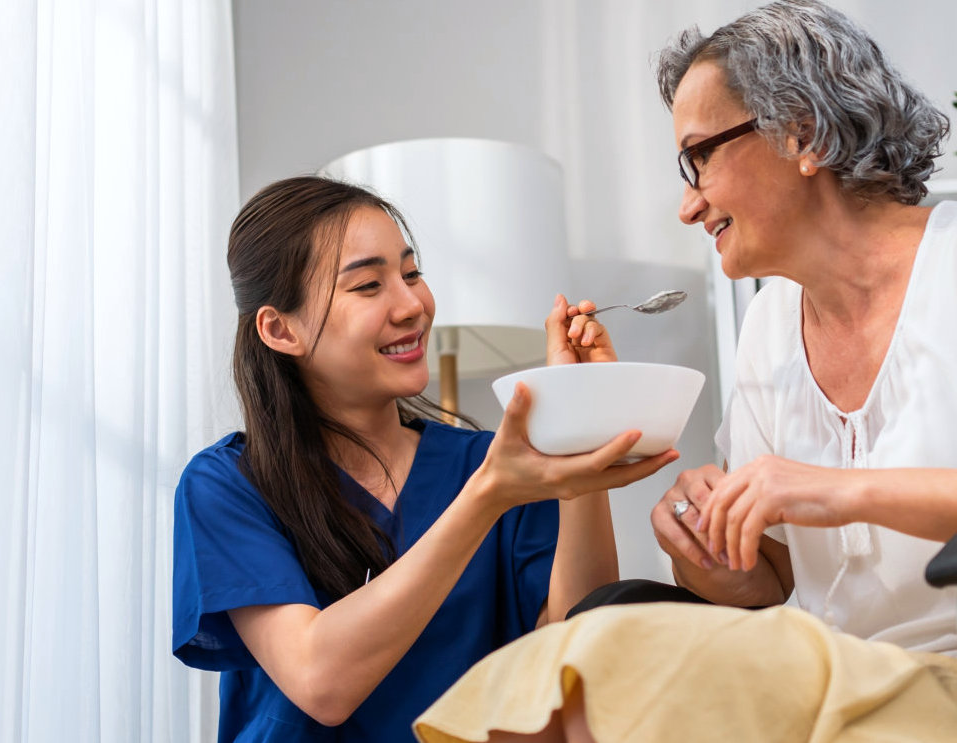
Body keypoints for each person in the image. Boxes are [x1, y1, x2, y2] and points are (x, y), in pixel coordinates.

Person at [413, 2, 957, 742]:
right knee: (569, 665)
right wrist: (706, 543)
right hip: (851, 685)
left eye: (697, 159)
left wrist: (844, 490)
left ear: (800, 135)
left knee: (610, 666)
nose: (687, 207)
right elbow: (770, 584)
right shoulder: (767, 331)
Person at [169, 175, 677, 742]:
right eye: (367, 286)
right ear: (279, 328)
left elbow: (572, 652)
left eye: (411, 274)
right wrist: (488, 497)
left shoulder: (489, 462)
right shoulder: (228, 485)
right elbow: (321, 682)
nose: (412, 305)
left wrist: (580, 430)